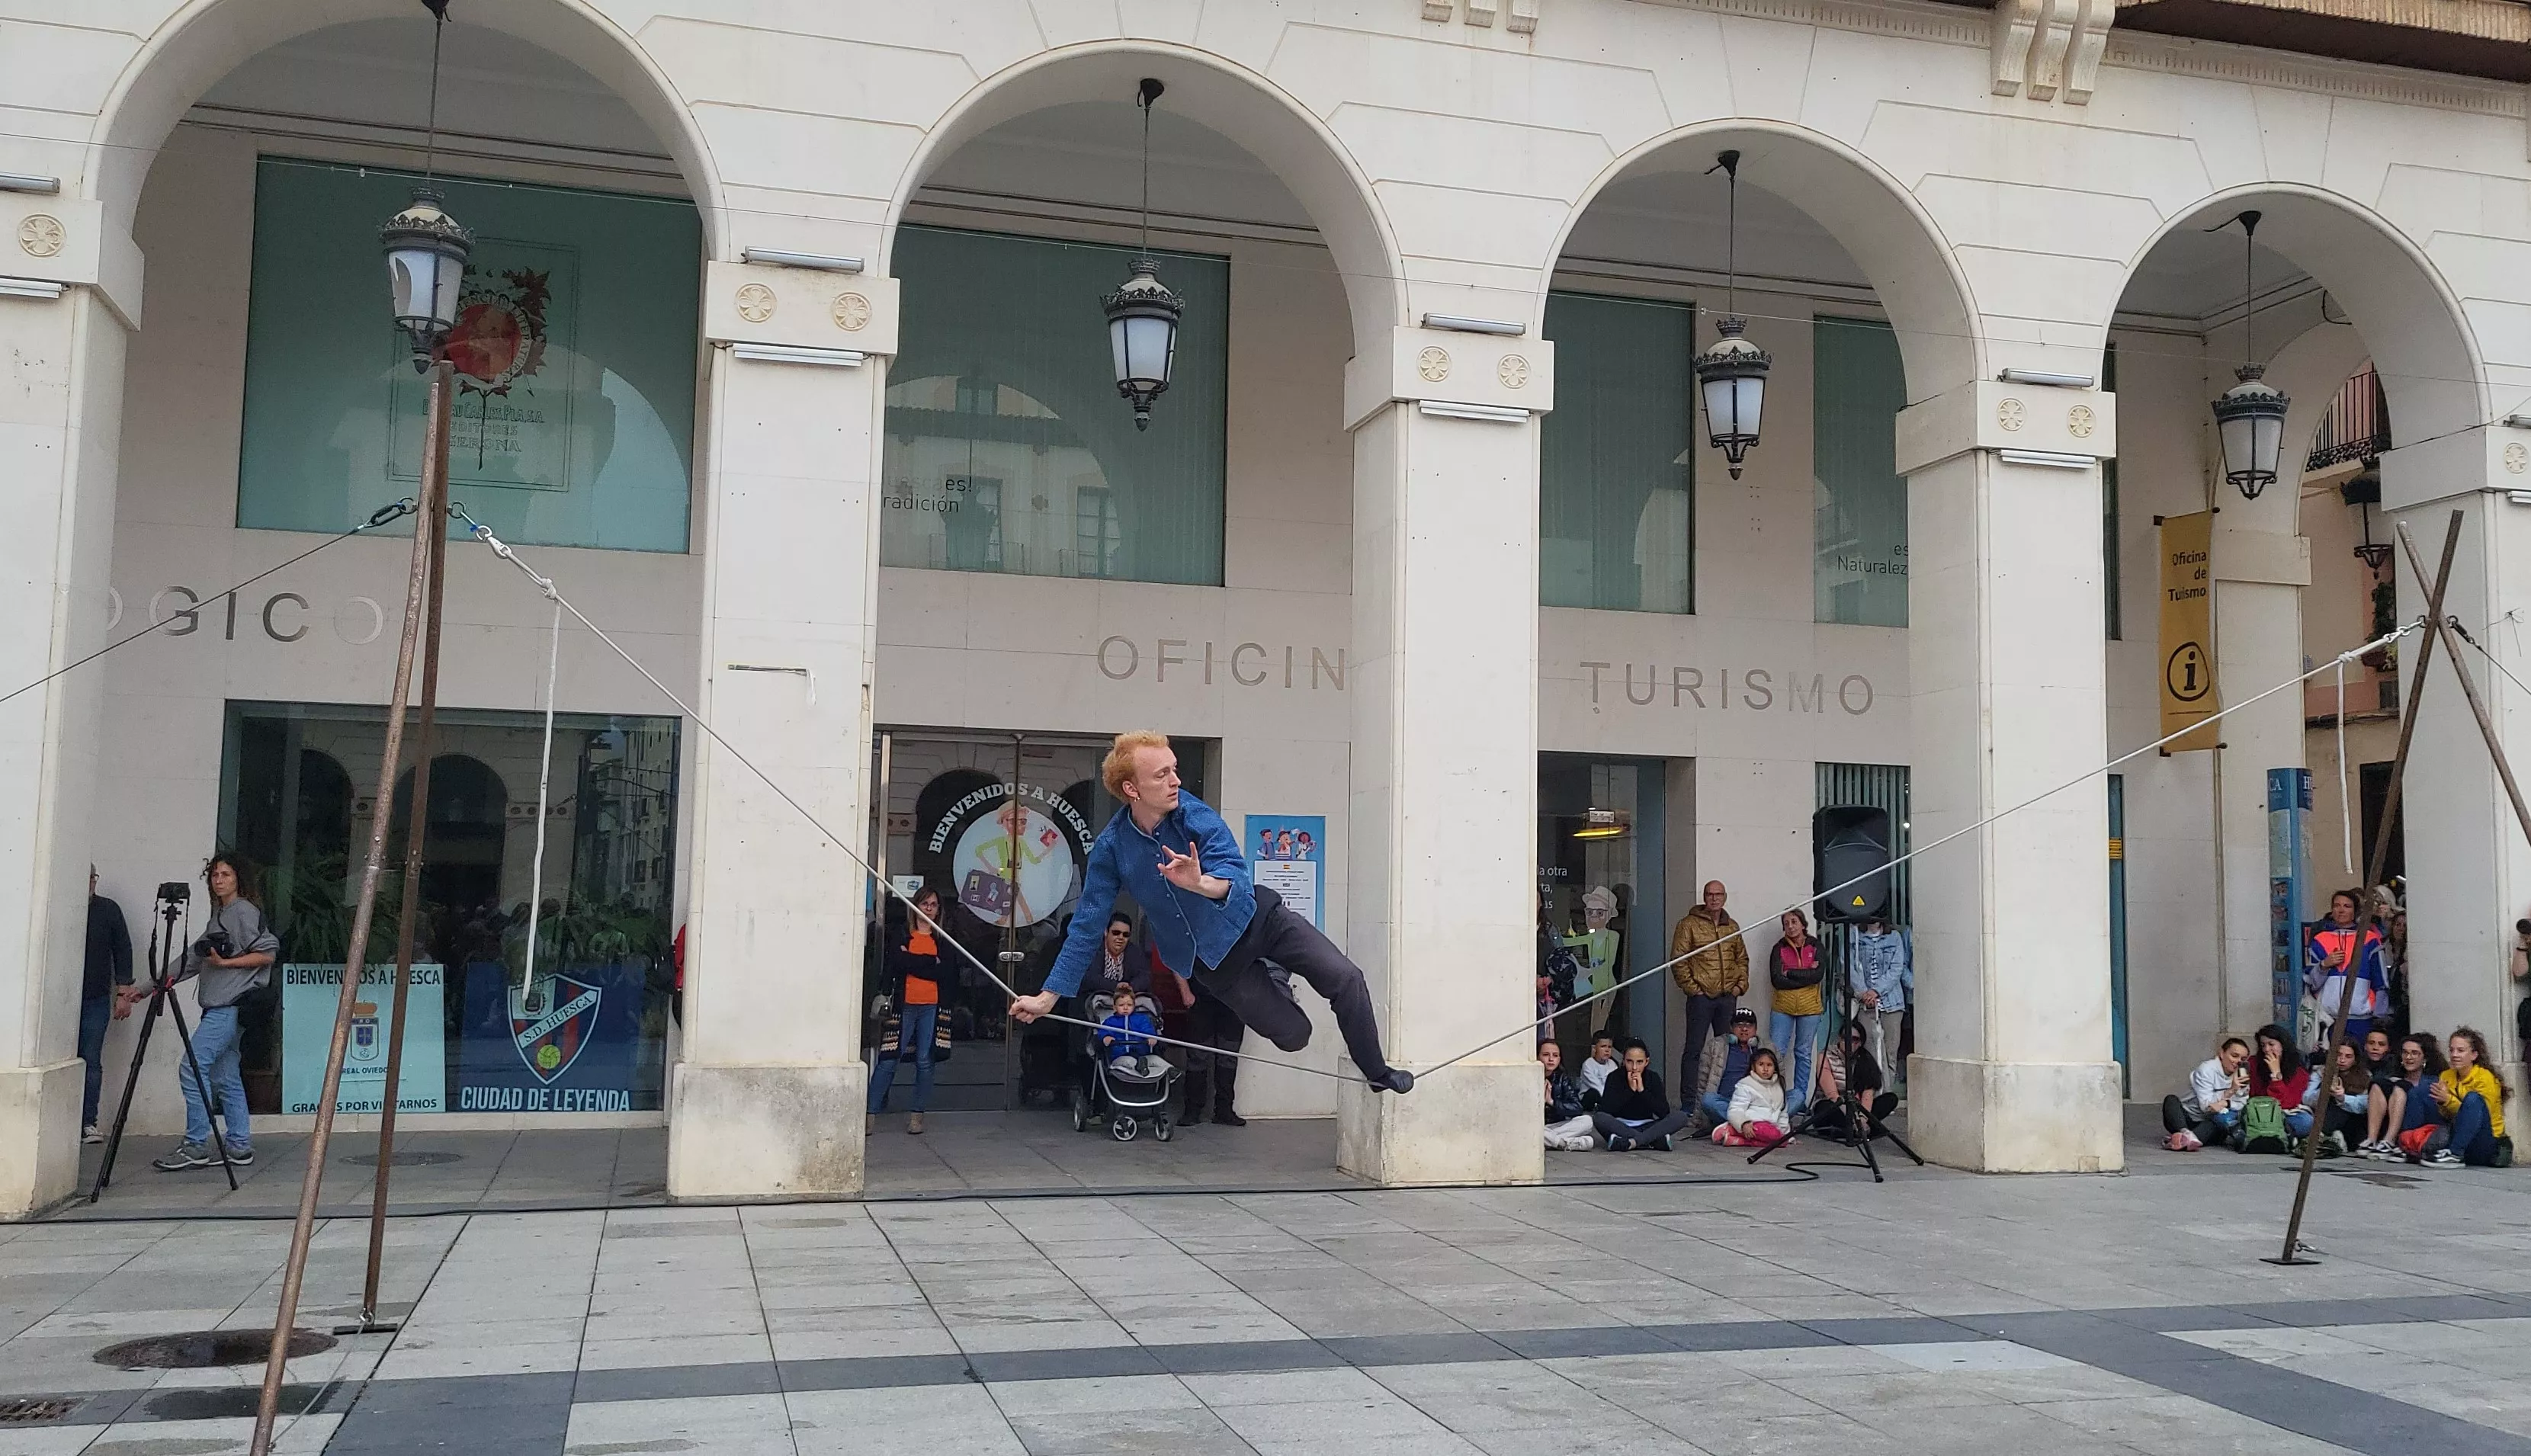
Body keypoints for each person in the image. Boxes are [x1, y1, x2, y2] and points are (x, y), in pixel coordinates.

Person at [1011, 733, 1412, 1094]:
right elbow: (1086, 927)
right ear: (1132, 789)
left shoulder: (1192, 813)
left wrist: (1200, 883)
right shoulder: (1112, 848)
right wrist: (1048, 997)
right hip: (1216, 962)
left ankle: (1376, 1072)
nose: (1176, 781)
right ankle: (1275, 977)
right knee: (1296, 1036)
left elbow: (1232, 868)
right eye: (1162, 775)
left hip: (1259, 921)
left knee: (1346, 978)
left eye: (1175, 769)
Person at [149, 855, 277, 1171]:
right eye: (215, 875)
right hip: (225, 1009)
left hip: (227, 1008)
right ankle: (239, 1146)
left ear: (238, 879)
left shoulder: (242, 911)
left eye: (226, 875)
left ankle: (196, 1144)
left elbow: (267, 953)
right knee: (225, 1075)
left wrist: (226, 964)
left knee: (192, 1067)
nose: (219, 880)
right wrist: (148, 987)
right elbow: (193, 960)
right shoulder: (221, 915)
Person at [868, 887, 951, 1135]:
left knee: (925, 1061)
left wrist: (913, 962)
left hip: (932, 1006)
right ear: (915, 907)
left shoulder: (942, 939)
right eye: (925, 904)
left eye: (933, 905)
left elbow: (946, 972)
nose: (929, 909)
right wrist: (929, 962)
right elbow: (897, 963)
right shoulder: (902, 935)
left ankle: (917, 1116)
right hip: (903, 1005)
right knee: (889, 1060)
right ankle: (869, 1114)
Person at [1670, 881, 1748, 1098]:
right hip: (1701, 999)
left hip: (1727, 997)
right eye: (1710, 894)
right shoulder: (1689, 924)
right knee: (1694, 1050)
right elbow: (1678, 960)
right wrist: (1694, 990)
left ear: (1725, 897)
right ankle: (1689, 1103)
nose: (1714, 898)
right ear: (1704, 897)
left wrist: (1739, 987)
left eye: (1718, 894)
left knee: (1728, 1050)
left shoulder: (1732, 926)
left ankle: (1725, 1098)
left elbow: (1742, 959)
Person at [79, 867, 133, 1144]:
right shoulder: (59, 907)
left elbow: (123, 950)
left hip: (95, 998)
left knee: (91, 1060)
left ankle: (87, 1122)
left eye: (92, 877)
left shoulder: (108, 910)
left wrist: (124, 992)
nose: (89, 883)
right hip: (56, 1001)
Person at [2308, 889, 2390, 1048]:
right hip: (2327, 1018)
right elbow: (2311, 983)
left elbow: (2381, 981)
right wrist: (2324, 965)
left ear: (2355, 912)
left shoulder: (2370, 939)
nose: (2341, 910)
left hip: (2361, 1018)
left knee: (2359, 1058)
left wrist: (2379, 1017)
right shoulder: (2320, 940)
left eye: (2347, 906)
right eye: (2337, 905)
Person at [1589, 1037, 1695, 1151]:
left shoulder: (1653, 1078)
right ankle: (1652, 1141)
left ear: (1646, 1062)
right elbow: (1606, 1110)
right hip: (1621, 1125)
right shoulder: (1614, 1077)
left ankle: (1630, 1142)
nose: (1634, 1067)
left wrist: (1642, 1091)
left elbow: (1664, 1112)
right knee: (1599, 1118)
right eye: (1630, 1061)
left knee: (1681, 1117)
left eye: (1639, 1062)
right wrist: (1630, 1091)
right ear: (1624, 1061)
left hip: (1648, 1126)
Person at [2424, 1026, 2509, 1168]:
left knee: (2473, 1098)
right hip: (2457, 1133)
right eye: (2451, 1050)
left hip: (2487, 1141)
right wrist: (2441, 1102)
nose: (2454, 1055)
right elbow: (2447, 1115)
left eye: (2461, 1050)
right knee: (2420, 1092)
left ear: (2474, 1055)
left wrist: (2449, 1100)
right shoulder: (2446, 1075)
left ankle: (2455, 1154)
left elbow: (2478, 1116)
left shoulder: (2485, 1078)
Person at [1767, 909, 1825, 1116]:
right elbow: (1777, 980)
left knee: (1803, 1054)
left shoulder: (1815, 946)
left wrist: (1790, 973)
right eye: (1786, 923)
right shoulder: (1779, 948)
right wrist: (1805, 975)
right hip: (1783, 1007)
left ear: (1803, 924)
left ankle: (1800, 1099)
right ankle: (1774, 1096)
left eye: (1794, 921)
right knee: (1776, 1053)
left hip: (1810, 1008)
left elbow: (1817, 975)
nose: (1790, 926)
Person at [1848, 914, 1910, 1079]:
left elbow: (1896, 968)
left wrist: (1876, 991)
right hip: (1865, 1003)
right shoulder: (1855, 935)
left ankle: (1887, 1091)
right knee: (1869, 1051)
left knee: (1890, 1053)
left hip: (1892, 1004)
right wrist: (1864, 993)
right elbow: (1849, 966)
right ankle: (1872, 1090)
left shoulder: (1894, 937)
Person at [1179, 975, 1246, 1127]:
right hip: (1200, 998)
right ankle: (1192, 1111)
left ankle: (1224, 1110)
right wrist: (1185, 992)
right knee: (1197, 1056)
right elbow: (1178, 964)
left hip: (1233, 1001)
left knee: (1229, 1056)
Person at [1810, 1023, 1897, 1142]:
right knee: (1825, 1108)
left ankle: (1853, 1131)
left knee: (1890, 1099)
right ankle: (1858, 1131)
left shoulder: (1865, 1060)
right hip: (1835, 1105)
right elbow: (1832, 1095)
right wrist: (1854, 1121)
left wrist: (1862, 1119)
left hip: (1857, 1108)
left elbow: (1868, 1095)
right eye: (1845, 1038)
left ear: (1860, 1043)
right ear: (1839, 1039)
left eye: (1854, 1040)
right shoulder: (1825, 1056)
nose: (1849, 1043)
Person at [2161, 1036, 2250, 1150]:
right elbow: (2206, 1106)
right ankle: (2186, 1134)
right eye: (2234, 1056)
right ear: (2222, 1053)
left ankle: (2183, 1140)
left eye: (2243, 1059)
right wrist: (2231, 1091)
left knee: (2219, 1124)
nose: (2238, 1061)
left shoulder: (2242, 1075)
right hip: (2187, 1117)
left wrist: (2225, 1103)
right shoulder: (2207, 1070)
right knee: (2171, 1100)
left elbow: (2242, 1103)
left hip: (2211, 1121)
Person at [2373, 1031, 2449, 1161]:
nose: (2409, 1057)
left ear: (2425, 1058)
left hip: (2424, 1136)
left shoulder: (2434, 1083)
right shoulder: (2394, 1079)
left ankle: (2405, 1145)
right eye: (2405, 1053)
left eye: (2415, 1053)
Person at [1695, 1008, 1762, 1133]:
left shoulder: (1767, 1047)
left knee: (1797, 1096)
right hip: (1726, 1103)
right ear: (1731, 1028)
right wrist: (1698, 1119)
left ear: (1756, 1029)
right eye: (1739, 1025)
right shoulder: (1715, 1045)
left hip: (1756, 1105)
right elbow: (1702, 1083)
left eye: (1749, 1025)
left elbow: (1778, 1083)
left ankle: (1735, 1125)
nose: (1744, 1029)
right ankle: (1753, 1126)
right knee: (1708, 1100)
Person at [2247, 1023, 2317, 1143]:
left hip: (2283, 1115)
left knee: (2306, 1122)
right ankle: (2281, 1137)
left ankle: (2273, 1136)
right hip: (2257, 1113)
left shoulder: (2298, 1071)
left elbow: (2288, 1103)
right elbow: (2251, 1095)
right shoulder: (2253, 1063)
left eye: (2271, 1044)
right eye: (2263, 1045)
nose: (2266, 1050)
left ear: (2283, 1045)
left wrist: (2276, 1074)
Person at [1717, 1047, 1789, 1147]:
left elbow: (1783, 1113)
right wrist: (1743, 1123)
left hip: (1771, 1126)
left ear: (1775, 1068)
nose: (1765, 1069)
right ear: (1753, 1066)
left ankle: (1738, 1140)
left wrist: (1786, 1133)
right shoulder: (1746, 1085)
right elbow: (1736, 1109)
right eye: (1761, 1065)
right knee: (1778, 1139)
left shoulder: (1779, 1085)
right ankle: (1732, 1129)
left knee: (1782, 1141)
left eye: (1769, 1065)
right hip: (1752, 1124)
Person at [1082, 912, 1155, 1001]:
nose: (1121, 938)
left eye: (1125, 935)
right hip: (1094, 1000)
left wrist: (1130, 987)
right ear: (1106, 932)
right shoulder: (1093, 950)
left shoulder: (1135, 952)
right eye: (1116, 933)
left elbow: (1145, 976)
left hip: (1126, 1001)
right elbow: (1090, 978)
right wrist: (1116, 987)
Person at [1095, 984, 1162, 1079]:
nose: (1125, 1008)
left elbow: (1148, 1029)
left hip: (1142, 1053)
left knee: (1156, 1060)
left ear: (1134, 1006)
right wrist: (1106, 1037)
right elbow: (1103, 1031)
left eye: (1129, 1005)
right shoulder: (1110, 1022)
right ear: (1115, 1007)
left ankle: (1169, 1070)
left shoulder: (1142, 1019)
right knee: (1128, 1061)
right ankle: (1139, 1066)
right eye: (1121, 1005)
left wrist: (1151, 1037)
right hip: (1120, 1055)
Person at [2318, 1041, 2372, 1156]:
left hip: (2354, 1122)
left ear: (2355, 1059)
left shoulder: (2365, 1076)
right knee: (2332, 1104)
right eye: (2339, 1055)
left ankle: (2327, 1137)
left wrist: (2342, 1098)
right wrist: (2323, 1088)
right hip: (2325, 1115)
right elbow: (2307, 1098)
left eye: (2348, 1057)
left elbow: (2364, 1105)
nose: (2342, 1060)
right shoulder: (2321, 1072)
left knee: (2343, 1108)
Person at [1541, 1040, 1596, 1150]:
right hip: (1537, 1125)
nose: (1551, 1059)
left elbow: (1578, 1108)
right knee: (1528, 1128)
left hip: (1555, 1126)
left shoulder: (1562, 1078)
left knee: (1587, 1121)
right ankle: (1563, 1143)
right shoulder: (1530, 1078)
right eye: (1546, 1055)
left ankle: (1548, 1140)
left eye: (1555, 1055)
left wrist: (1552, 1102)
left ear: (1559, 1059)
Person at [1577, 1031, 1619, 1098]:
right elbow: (1597, 1087)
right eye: (1603, 1046)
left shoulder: (1613, 1065)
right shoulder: (1588, 1064)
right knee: (1593, 1093)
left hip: (1608, 1098)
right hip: (1589, 1100)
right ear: (1594, 1048)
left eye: (1609, 1047)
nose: (1607, 1050)